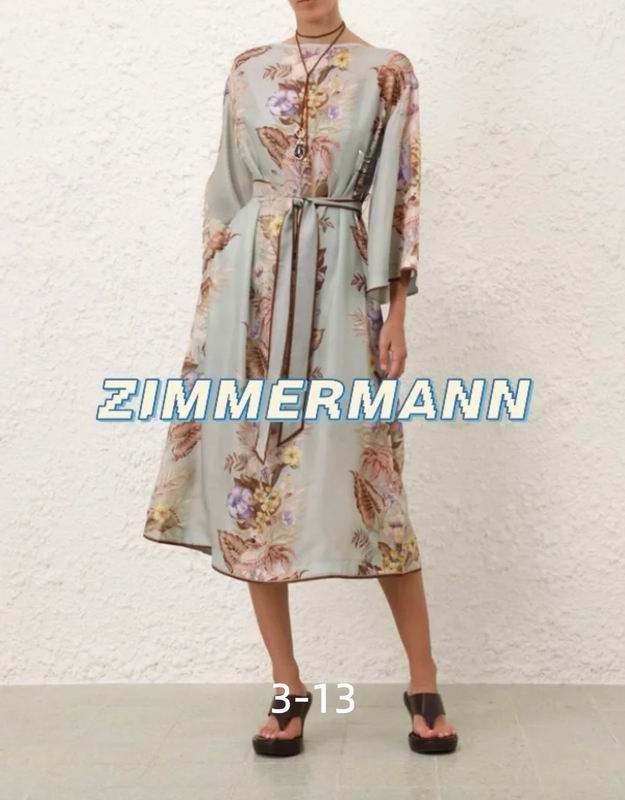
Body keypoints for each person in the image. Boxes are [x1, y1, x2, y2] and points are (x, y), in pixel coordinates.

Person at [144, 0, 458, 757]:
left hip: (341, 282)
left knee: (372, 480)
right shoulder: (248, 69)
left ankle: (422, 679)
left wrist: (396, 311)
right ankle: (287, 685)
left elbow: (401, 196)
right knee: (251, 484)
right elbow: (225, 190)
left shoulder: (387, 72)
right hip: (243, 295)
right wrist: (213, 303)